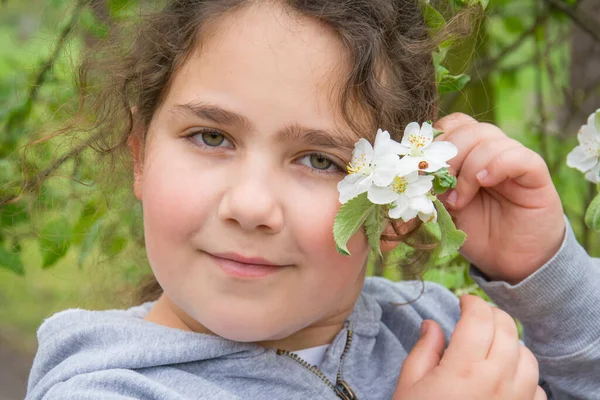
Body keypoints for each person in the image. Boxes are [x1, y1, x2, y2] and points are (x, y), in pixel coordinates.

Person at [26, 1, 600, 399]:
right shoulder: (110, 389)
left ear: (402, 200)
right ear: (140, 159)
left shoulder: (440, 336)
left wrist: (548, 275)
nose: (250, 206)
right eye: (211, 137)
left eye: (321, 160)